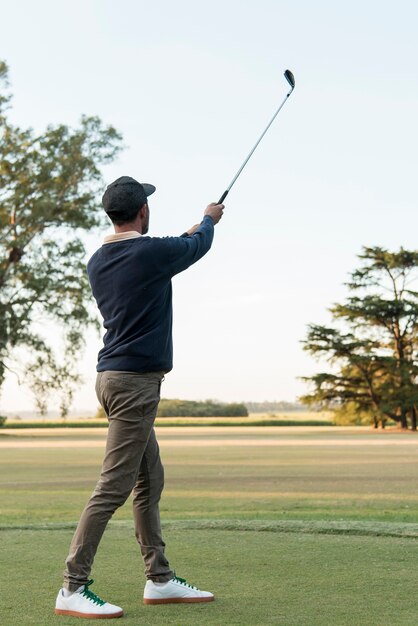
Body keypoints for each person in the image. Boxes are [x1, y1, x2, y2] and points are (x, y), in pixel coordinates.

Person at [55, 176, 224, 618]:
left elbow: (178, 244)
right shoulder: (151, 252)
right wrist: (209, 219)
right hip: (134, 385)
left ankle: (160, 580)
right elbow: (194, 246)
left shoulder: (99, 259)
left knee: (150, 480)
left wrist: (195, 228)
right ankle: (72, 586)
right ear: (143, 212)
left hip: (111, 380)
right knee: (113, 486)